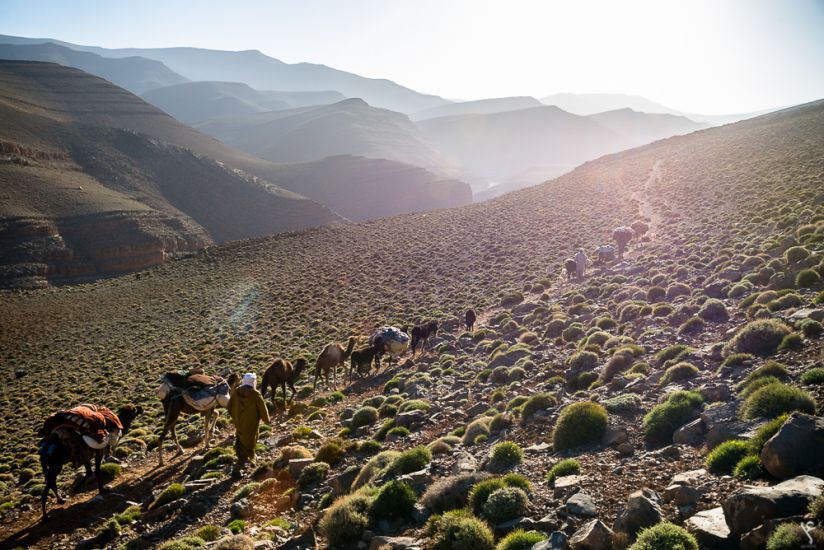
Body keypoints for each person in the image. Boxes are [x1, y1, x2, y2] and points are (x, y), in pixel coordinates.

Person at [228, 372, 270, 476]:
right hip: (251, 423)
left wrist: (235, 416)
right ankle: (242, 464)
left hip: (239, 422)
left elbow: (229, 406)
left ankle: (247, 460)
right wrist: (267, 420)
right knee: (250, 440)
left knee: (240, 440)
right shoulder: (255, 394)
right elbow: (263, 409)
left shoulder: (237, 392)